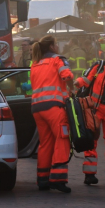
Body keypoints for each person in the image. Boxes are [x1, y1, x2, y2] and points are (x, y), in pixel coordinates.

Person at [30, 35, 75, 193]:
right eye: (56, 44)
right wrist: (72, 89)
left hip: (37, 108)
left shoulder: (35, 63)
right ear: (51, 47)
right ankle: (58, 178)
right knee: (62, 139)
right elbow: (67, 76)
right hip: (54, 107)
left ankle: (43, 179)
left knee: (45, 143)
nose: (57, 47)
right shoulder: (57, 60)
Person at [75, 43, 105, 186]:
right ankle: (89, 175)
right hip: (95, 108)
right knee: (91, 140)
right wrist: (74, 83)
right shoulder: (99, 66)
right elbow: (86, 80)